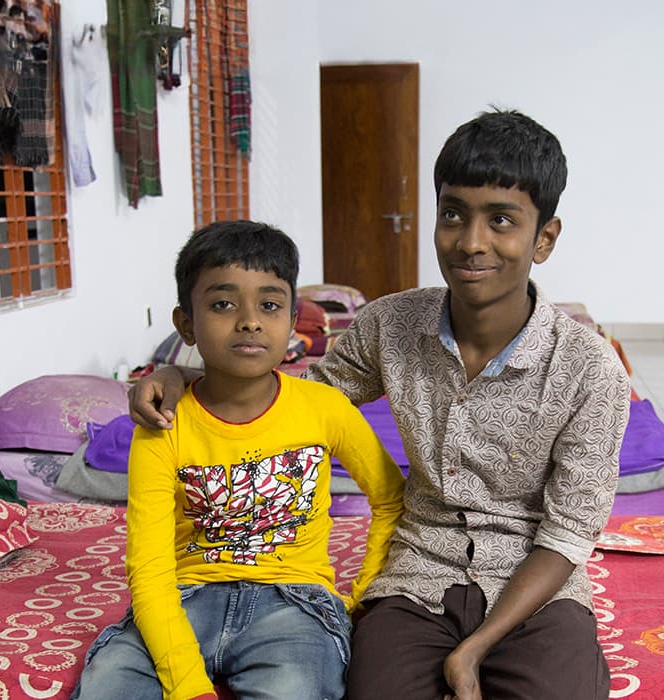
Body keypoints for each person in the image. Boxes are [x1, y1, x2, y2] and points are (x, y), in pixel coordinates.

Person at [130, 110, 630, 699]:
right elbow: (294, 398)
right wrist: (180, 370)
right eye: (453, 215)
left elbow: (569, 533)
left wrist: (475, 648)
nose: (471, 242)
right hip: (417, 574)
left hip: (534, 588)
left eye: (501, 220)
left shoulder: (590, 369)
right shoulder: (390, 324)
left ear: (543, 238)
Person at [79, 221, 406, 700]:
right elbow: (148, 568)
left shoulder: (325, 408)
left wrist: (363, 598)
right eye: (222, 304)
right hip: (185, 598)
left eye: (269, 305)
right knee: (108, 684)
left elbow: (391, 498)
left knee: (298, 686)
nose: (250, 320)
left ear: (293, 321)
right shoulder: (163, 425)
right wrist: (189, 686)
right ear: (186, 323)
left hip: (294, 603)